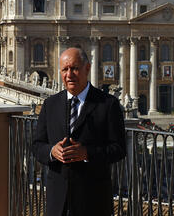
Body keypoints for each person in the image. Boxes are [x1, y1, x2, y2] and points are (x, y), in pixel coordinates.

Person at [33, 47, 126, 216]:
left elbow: (119, 149)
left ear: (87, 68)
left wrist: (87, 153)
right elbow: (37, 146)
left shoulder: (108, 104)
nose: (69, 75)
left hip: (93, 200)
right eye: (65, 69)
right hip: (57, 200)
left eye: (74, 68)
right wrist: (52, 151)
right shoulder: (50, 105)